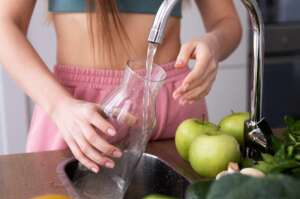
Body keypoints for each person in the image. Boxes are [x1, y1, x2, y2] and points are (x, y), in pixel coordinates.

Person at [0, 0, 242, 173]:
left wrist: (214, 43)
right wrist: (59, 106)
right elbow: (5, 23)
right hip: (75, 110)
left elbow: (227, 21)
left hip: (173, 102)